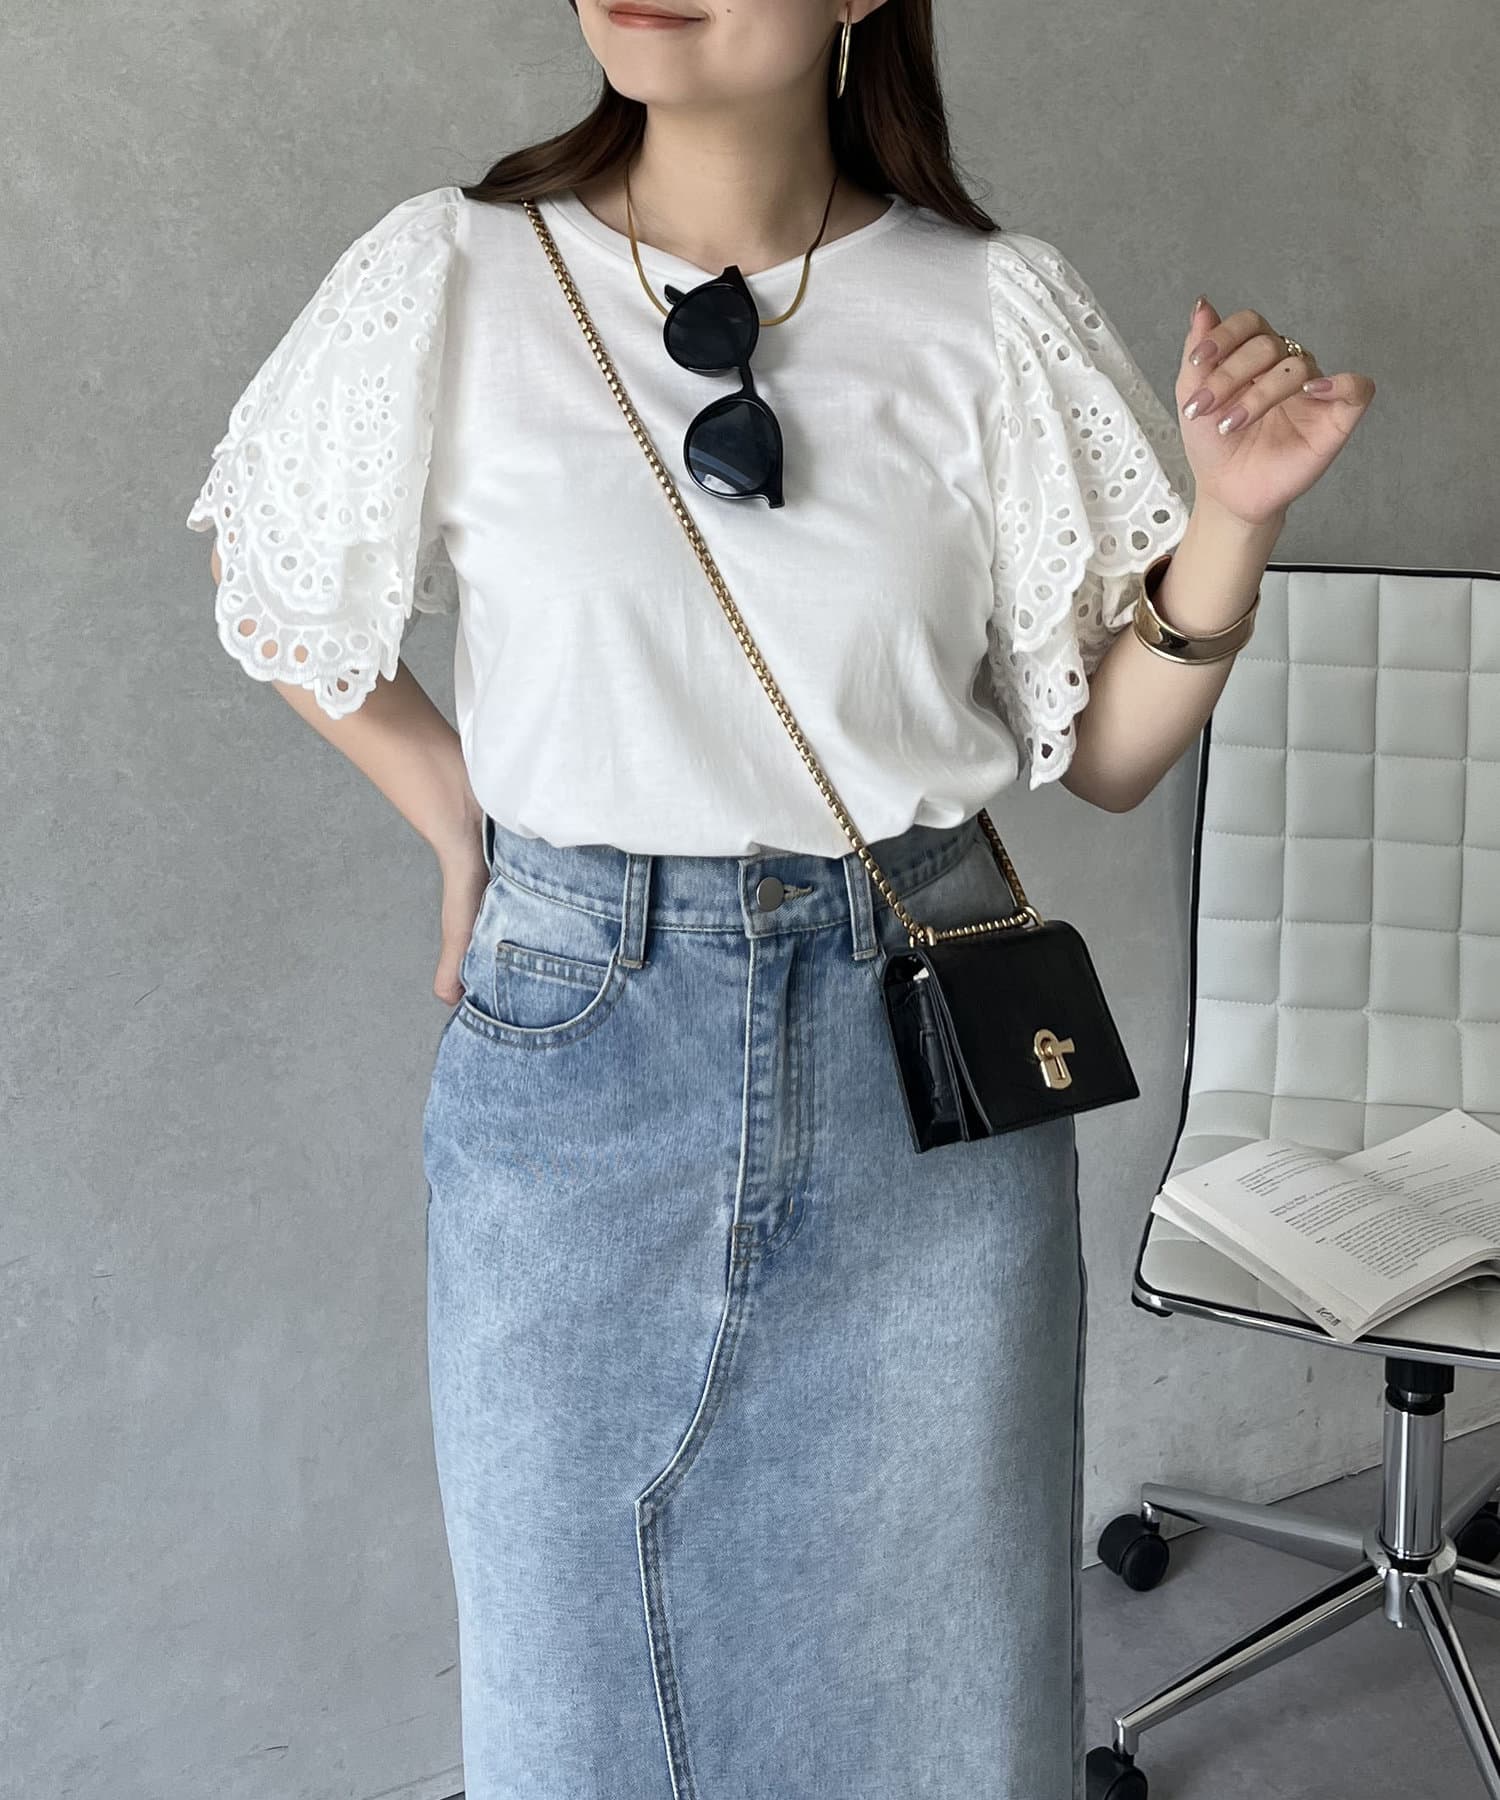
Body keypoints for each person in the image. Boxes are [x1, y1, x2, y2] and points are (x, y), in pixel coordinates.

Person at [184, 3, 1373, 1794]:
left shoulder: (990, 309)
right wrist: (458, 821)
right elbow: (271, 575)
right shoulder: (456, 275)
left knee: (943, 1699)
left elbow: (1110, 757)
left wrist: (1233, 518)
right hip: (577, 1066)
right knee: (572, 1706)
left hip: (925, 1070)